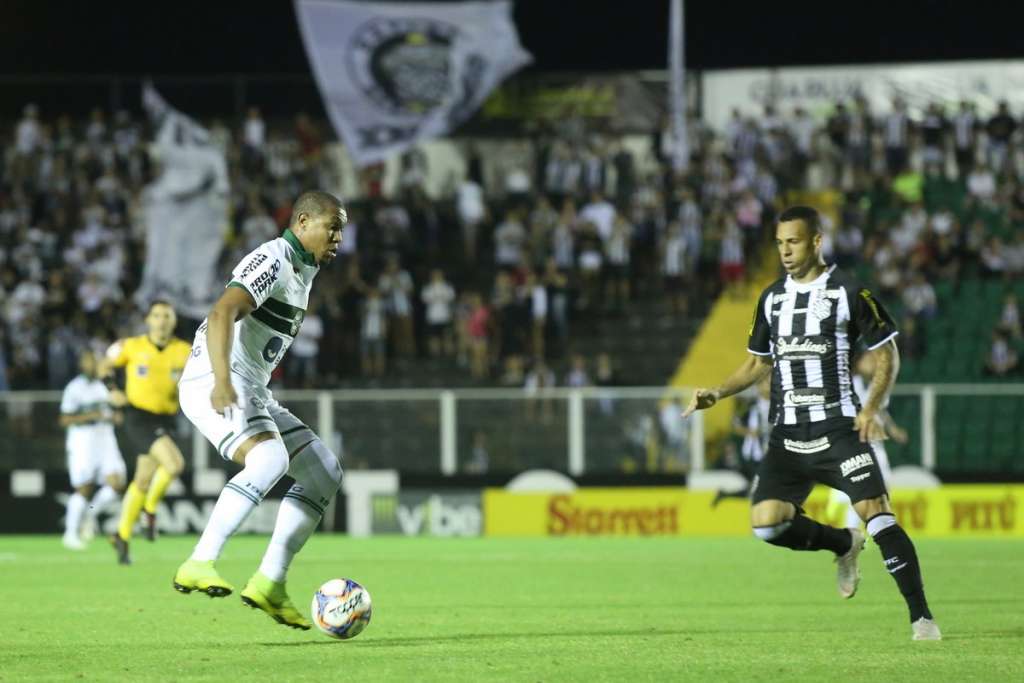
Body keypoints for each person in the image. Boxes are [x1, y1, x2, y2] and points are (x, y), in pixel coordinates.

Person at [683, 205, 940, 641]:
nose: (785, 251)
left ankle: (922, 619)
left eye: (794, 241)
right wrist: (718, 392)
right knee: (767, 524)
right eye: (780, 243)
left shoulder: (849, 291)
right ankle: (843, 544)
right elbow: (757, 363)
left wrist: (871, 408)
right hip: (788, 436)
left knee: (877, 514)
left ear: (817, 241)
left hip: (839, 429)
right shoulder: (771, 298)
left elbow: (887, 354)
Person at [172, 191, 346, 631]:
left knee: (324, 470)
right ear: (303, 221)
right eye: (333, 227)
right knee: (269, 458)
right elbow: (220, 313)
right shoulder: (275, 257)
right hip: (213, 380)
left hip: (252, 389)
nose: (339, 237)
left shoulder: (304, 270)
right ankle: (199, 561)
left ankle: (270, 581)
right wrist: (223, 381)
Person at [103, 300, 191, 564]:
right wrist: (112, 389)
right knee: (174, 465)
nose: (161, 320)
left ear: (173, 321)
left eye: (167, 315)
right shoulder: (131, 346)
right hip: (138, 416)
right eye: (156, 315)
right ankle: (150, 511)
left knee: (142, 480)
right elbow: (103, 365)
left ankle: (122, 535)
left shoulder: (185, 351)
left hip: (166, 418)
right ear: (148, 320)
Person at [827, 353, 906, 528]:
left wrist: (893, 430)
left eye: (875, 360)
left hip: (876, 443)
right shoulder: (848, 383)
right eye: (869, 359)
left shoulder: (876, 386)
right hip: (855, 442)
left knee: (882, 485)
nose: (874, 363)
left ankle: (854, 527)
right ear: (858, 362)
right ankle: (842, 506)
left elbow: (881, 411)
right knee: (862, 486)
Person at [59, 350, 126, 550]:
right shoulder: (74, 388)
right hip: (82, 441)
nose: (92, 364)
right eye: (88, 360)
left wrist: (116, 416)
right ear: (81, 365)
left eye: (94, 360)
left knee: (116, 483)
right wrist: (90, 416)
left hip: (105, 437)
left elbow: (117, 411)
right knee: (84, 487)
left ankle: (90, 514)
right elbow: (64, 419)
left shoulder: (104, 386)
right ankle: (70, 534)